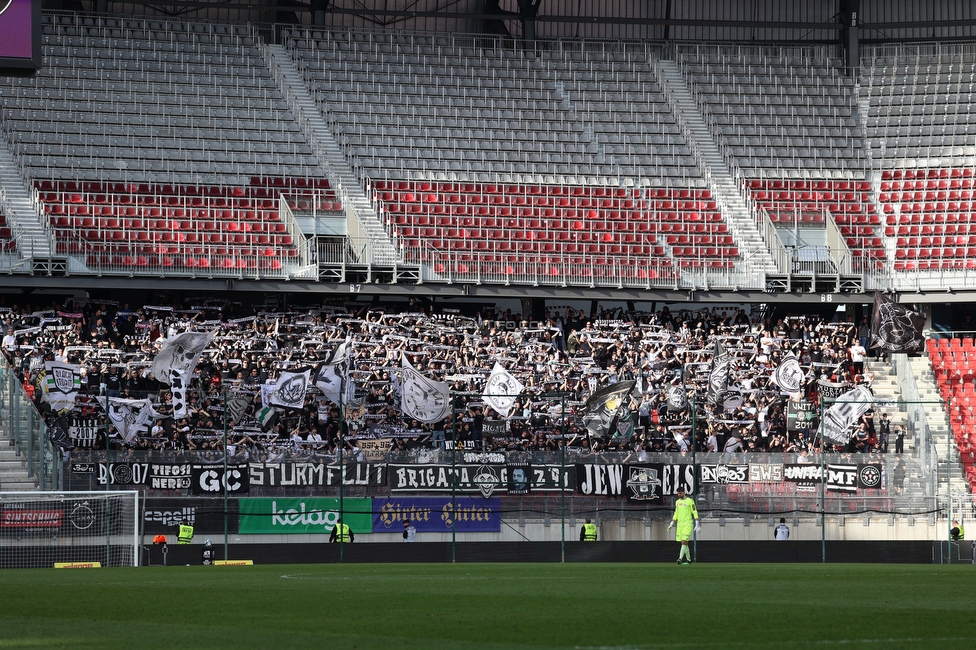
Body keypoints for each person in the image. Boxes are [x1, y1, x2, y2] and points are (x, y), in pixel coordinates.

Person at [668, 486, 699, 564]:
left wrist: (697, 522)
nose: (679, 494)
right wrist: (672, 522)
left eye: (680, 493)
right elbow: (676, 513)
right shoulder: (677, 502)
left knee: (684, 541)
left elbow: (694, 511)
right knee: (685, 543)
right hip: (680, 525)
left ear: (684, 492)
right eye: (678, 493)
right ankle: (688, 560)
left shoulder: (690, 501)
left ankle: (680, 559)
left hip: (688, 524)